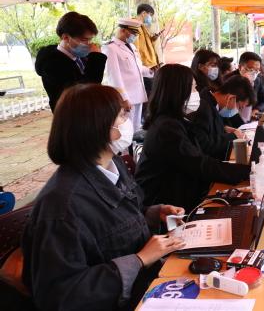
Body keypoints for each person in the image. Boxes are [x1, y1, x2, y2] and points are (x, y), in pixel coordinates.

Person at [22, 83, 186, 311]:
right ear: (97, 126)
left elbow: (118, 219)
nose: (128, 121)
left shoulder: (112, 164)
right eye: (122, 115)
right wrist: (139, 260)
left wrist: (154, 213)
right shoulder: (61, 207)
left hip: (151, 283)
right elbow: (59, 296)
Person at [135, 64, 250, 212]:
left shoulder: (174, 121)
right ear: (178, 91)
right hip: (169, 206)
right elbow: (199, 164)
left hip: (182, 194)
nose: (197, 94)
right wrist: (247, 171)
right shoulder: (166, 129)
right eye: (193, 88)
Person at [35, 12, 107, 112]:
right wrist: (96, 59)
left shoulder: (81, 57)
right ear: (66, 37)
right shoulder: (51, 63)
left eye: (90, 39)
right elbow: (85, 91)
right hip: (70, 116)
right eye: (84, 40)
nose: (89, 44)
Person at [102, 18, 153, 132]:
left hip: (138, 94)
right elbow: (114, 76)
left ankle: (132, 144)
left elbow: (137, 68)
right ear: (123, 30)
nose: (135, 36)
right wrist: (124, 98)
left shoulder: (132, 47)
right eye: (133, 33)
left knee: (135, 129)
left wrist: (151, 71)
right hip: (127, 97)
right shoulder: (111, 48)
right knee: (125, 130)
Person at [190, 75, 256, 160]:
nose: (237, 111)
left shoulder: (214, 104)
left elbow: (211, 130)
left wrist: (224, 128)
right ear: (231, 98)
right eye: (239, 107)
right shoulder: (203, 108)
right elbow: (203, 145)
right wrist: (233, 136)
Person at [134, 4, 162, 94]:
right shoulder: (134, 26)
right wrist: (141, 66)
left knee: (153, 92)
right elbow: (135, 49)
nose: (150, 18)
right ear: (143, 13)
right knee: (149, 93)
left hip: (150, 65)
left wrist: (154, 37)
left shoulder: (142, 26)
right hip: (145, 66)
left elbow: (147, 42)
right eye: (150, 15)